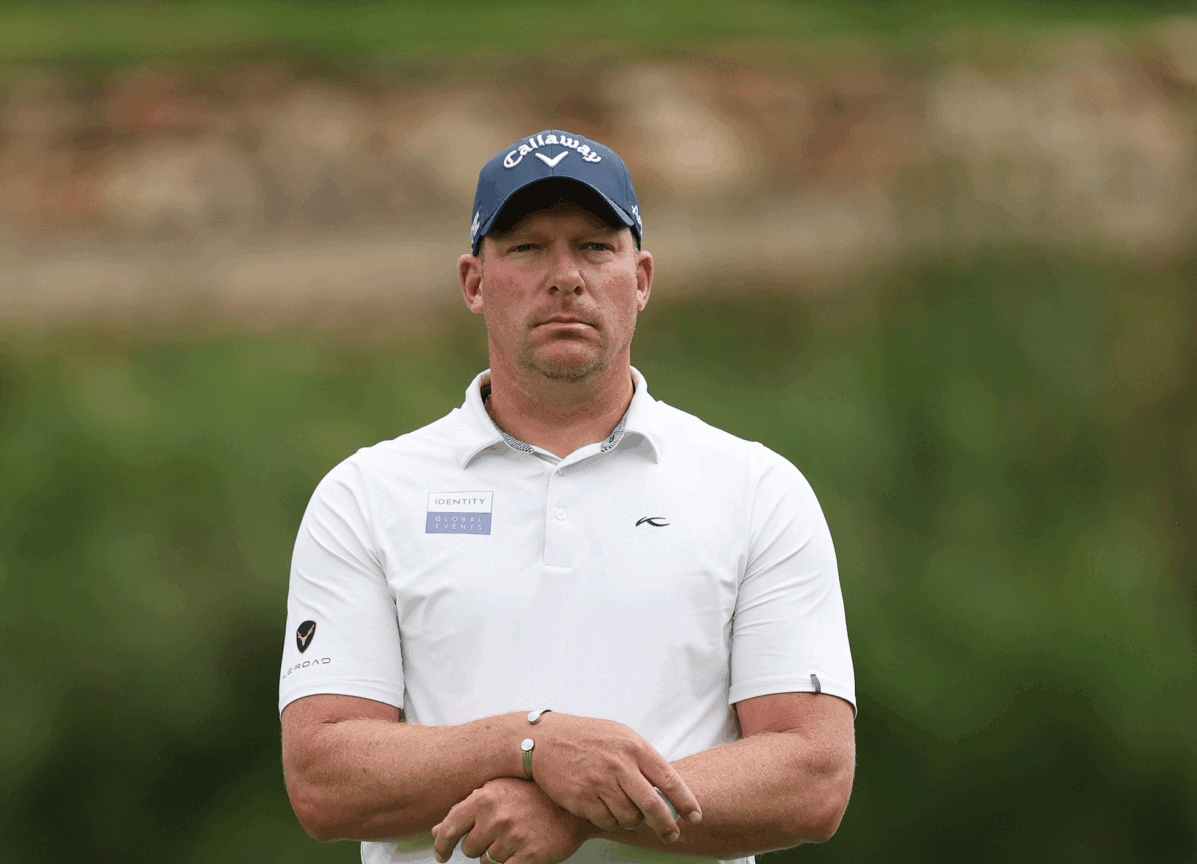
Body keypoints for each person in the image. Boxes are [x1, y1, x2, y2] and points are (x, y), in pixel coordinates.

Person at [279, 129, 856, 864]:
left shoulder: (755, 489)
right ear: (473, 282)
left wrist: (581, 812)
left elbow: (813, 775)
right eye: (526, 248)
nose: (564, 278)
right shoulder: (366, 494)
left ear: (640, 278)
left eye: (594, 247)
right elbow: (324, 779)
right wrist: (530, 744)